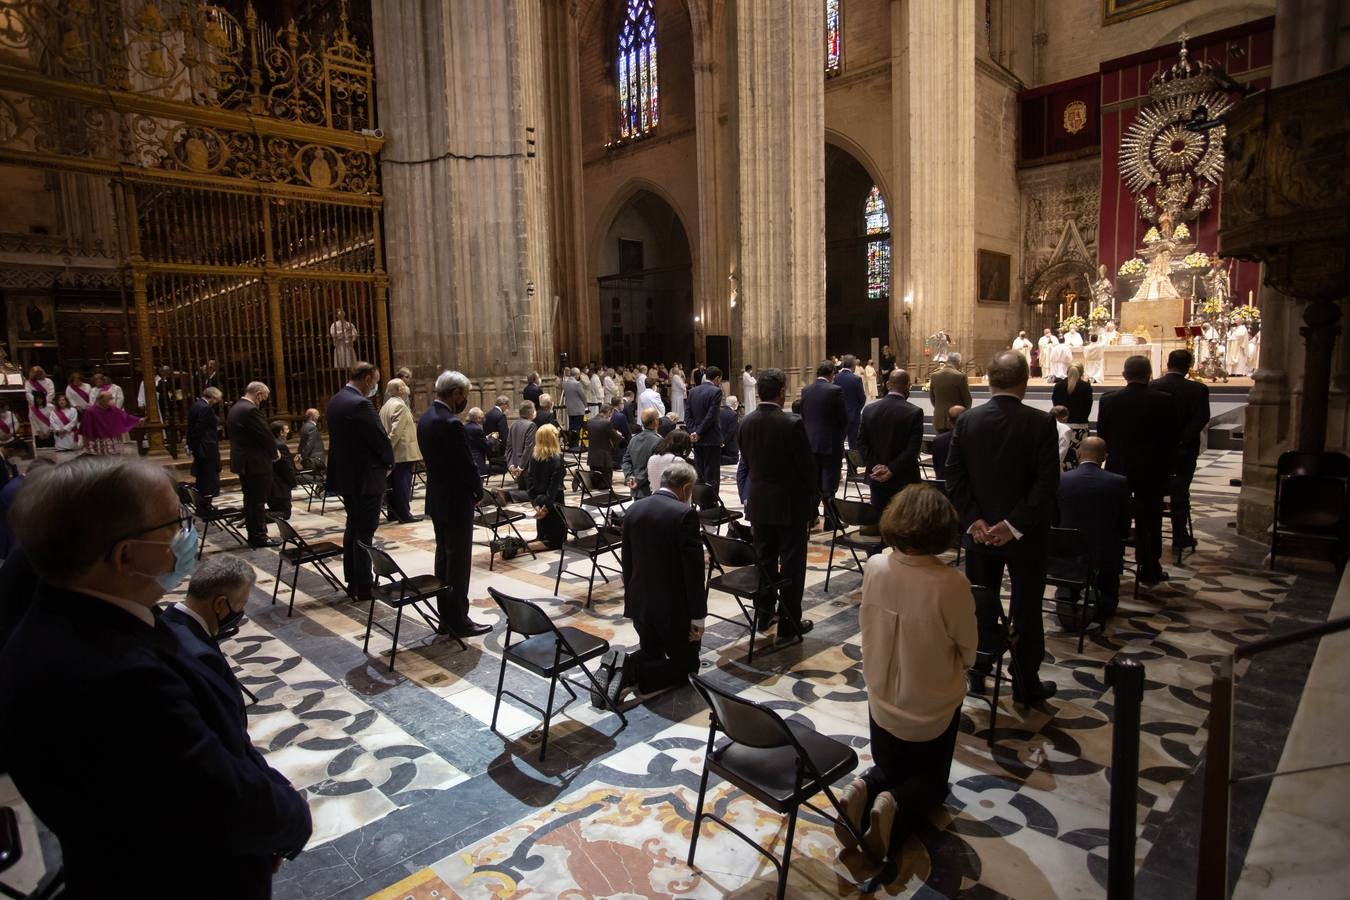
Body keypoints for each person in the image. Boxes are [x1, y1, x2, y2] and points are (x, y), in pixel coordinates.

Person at [0, 457, 312, 895]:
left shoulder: (54, 620)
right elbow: (218, 802)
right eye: (174, 522)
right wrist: (290, 819)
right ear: (127, 555)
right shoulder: (118, 679)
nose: (186, 535)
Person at [835, 484, 976, 861]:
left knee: (889, 763)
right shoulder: (950, 582)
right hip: (930, 701)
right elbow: (968, 646)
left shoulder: (877, 565)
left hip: (880, 690)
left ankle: (864, 788)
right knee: (931, 782)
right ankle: (893, 803)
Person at [945, 350, 1060, 704]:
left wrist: (974, 519)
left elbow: (954, 476)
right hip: (1026, 536)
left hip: (980, 534)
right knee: (1026, 606)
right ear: (1025, 382)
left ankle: (978, 671)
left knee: (980, 602)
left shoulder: (968, 421)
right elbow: (1047, 484)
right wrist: (1013, 525)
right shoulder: (1040, 423)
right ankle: (1026, 681)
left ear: (989, 381)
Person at [607, 460, 705, 705]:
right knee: (689, 668)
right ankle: (632, 671)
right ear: (685, 488)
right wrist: (698, 617)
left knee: (652, 651)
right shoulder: (684, 514)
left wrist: (631, 599)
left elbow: (626, 562)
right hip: (674, 608)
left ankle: (626, 665)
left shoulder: (634, 508)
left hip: (641, 603)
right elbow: (693, 571)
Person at [737, 368, 818, 641]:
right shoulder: (792, 423)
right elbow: (807, 469)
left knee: (765, 561)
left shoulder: (745, 423)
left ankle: (763, 614)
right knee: (792, 564)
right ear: (782, 392)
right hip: (789, 506)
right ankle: (788, 623)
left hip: (759, 504)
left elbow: (747, 462)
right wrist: (814, 504)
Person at [416, 371, 491, 636]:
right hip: (457, 501)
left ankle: (445, 619)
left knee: (443, 559)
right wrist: (478, 490)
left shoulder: (425, 418)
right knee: (458, 563)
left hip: (437, 498)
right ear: (456, 392)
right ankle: (459, 621)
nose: (464, 400)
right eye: (464, 395)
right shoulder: (451, 423)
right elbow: (465, 464)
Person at [1099, 355, 1181, 586]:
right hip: (1152, 470)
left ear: (1124, 375)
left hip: (1119, 469)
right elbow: (1172, 438)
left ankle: (1113, 565)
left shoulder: (1109, 400)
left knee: (1115, 518)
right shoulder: (1165, 400)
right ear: (1149, 375)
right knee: (1151, 520)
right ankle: (1149, 567)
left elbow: (1103, 436)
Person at [326, 363, 393, 599]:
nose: (374, 386)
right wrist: (388, 463)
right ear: (365, 378)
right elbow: (379, 438)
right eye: (374, 381)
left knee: (353, 527)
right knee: (365, 531)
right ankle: (364, 586)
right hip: (366, 477)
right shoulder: (360, 403)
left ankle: (353, 580)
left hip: (347, 476)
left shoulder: (336, 400)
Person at [1056, 437, 1131, 621]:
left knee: (1069, 550)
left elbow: (1054, 518)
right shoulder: (1118, 482)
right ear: (1104, 457)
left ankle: (1066, 597)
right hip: (1103, 551)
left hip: (1068, 551)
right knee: (1110, 550)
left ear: (1078, 454)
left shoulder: (1061, 480)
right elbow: (1124, 523)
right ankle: (1105, 603)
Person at [1150, 349, 1211, 552]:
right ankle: (1179, 534)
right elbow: (1201, 418)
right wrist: (1182, 440)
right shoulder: (1198, 389)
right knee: (1180, 492)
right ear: (1188, 367)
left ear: (1168, 364)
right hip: (1183, 451)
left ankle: (1151, 534)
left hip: (1156, 450)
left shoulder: (1153, 386)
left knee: (1154, 491)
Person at [857, 369, 924, 518]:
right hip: (904, 478)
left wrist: (875, 466)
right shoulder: (914, 412)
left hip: (876, 477)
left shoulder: (869, 409)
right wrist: (891, 470)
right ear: (908, 386)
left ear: (888, 385)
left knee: (882, 522)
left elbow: (861, 443)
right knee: (904, 524)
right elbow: (913, 450)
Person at [228, 381, 280, 548]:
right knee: (258, 501)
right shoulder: (251, 410)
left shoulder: (236, 408)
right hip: (256, 463)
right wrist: (274, 453)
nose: (262, 401)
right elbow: (264, 435)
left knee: (250, 500)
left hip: (243, 462)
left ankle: (253, 534)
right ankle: (259, 536)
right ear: (258, 394)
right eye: (263, 398)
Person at [801, 361, 847, 526]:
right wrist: (841, 438)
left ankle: (811, 517)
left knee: (813, 482)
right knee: (829, 483)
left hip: (810, 443)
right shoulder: (835, 390)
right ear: (832, 374)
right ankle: (830, 519)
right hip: (830, 443)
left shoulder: (806, 390)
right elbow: (843, 418)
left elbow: (803, 415)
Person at [379, 378, 422, 524]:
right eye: (404, 386)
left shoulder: (385, 406)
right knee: (403, 485)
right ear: (399, 390)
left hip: (395, 453)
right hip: (402, 453)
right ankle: (404, 514)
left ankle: (393, 514)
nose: (406, 388)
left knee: (393, 485)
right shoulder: (399, 406)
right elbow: (395, 432)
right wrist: (387, 449)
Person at [524, 423, 567, 549]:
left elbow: (529, 481)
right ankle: (523, 548)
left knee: (543, 536)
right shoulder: (557, 458)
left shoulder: (534, 456)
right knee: (556, 541)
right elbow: (554, 488)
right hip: (553, 503)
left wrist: (536, 504)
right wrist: (546, 507)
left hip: (538, 499)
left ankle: (523, 547)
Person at [686, 366, 724, 485]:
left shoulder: (692, 391)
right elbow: (711, 416)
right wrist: (699, 432)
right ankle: (711, 500)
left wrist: (694, 432)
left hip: (696, 439)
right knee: (712, 473)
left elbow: (687, 416)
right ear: (717, 378)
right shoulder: (716, 391)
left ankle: (701, 499)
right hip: (711, 437)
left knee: (699, 471)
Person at [186, 387, 224, 502]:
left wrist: (190, 445)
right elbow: (199, 429)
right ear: (213, 397)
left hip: (200, 446)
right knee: (208, 475)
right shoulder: (206, 408)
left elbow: (192, 428)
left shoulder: (196, 405)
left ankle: (203, 499)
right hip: (206, 447)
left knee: (202, 475)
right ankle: (207, 501)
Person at [79, 390, 143, 455]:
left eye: (112, 398)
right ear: (101, 400)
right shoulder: (91, 412)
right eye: (109, 398)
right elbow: (87, 428)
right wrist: (86, 443)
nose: (112, 400)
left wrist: (138, 419)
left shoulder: (113, 409)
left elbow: (125, 416)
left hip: (112, 437)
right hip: (98, 439)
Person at [622, 407, 663, 498]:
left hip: (635, 488)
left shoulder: (634, 439)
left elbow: (626, 461)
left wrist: (630, 477)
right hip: (649, 490)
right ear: (655, 422)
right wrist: (638, 480)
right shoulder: (659, 441)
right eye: (657, 418)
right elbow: (654, 465)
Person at [928, 353, 972, 434]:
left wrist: (939, 408)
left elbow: (932, 398)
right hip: (956, 419)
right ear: (958, 362)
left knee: (941, 443)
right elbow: (967, 400)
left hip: (939, 419)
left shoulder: (934, 375)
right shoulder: (960, 376)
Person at [265, 421, 298, 520]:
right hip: (279, 485)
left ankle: (253, 515)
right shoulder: (280, 446)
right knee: (285, 513)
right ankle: (254, 516)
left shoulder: (270, 443)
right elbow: (285, 468)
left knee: (276, 509)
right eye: (286, 429)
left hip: (271, 485)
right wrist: (293, 482)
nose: (288, 431)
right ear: (281, 432)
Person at [834, 354, 867, 449]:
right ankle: (852, 464)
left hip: (839, 416)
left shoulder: (835, 377)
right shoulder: (856, 379)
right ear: (854, 365)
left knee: (839, 443)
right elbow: (862, 398)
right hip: (853, 415)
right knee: (853, 443)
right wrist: (856, 409)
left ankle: (837, 462)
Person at [646, 429, 692, 494]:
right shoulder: (678, 461)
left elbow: (651, 483)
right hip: (673, 500)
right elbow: (684, 489)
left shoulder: (652, 458)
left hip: (655, 497)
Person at [586, 402, 621, 486]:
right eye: (611, 413)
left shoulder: (590, 421)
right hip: (604, 459)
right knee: (605, 486)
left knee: (595, 484)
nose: (610, 415)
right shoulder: (606, 423)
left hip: (592, 458)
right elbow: (616, 438)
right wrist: (618, 435)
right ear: (609, 411)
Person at [506, 401, 538, 488]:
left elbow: (509, 447)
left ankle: (507, 496)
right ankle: (507, 496)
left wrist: (511, 465)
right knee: (532, 494)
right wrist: (520, 467)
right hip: (526, 465)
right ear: (530, 412)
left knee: (522, 489)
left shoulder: (513, 425)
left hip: (515, 464)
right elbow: (529, 448)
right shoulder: (531, 425)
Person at [929, 405, 964, 482]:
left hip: (943, 483)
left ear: (949, 420)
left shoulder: (938, 441)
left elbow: (936, 465)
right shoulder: (972, 439)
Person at [25, 366, 54, 443]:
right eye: (37, 374)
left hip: (47, 406)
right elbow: (28, 394)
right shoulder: (28, 383)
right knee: (36, 426)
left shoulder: (48, 381)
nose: (39, 375)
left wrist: (44, 402)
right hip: (35, 407)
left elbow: (51, 393)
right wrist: (37, 403)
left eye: (40, 373)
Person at [464, 407, 490, 477]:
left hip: (467, 458)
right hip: (477, 459)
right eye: (481, 417)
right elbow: (487, 445)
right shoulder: (477, 429)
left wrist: (486, 437)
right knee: (479, 482)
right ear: (476, 418)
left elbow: (474, 440)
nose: (482, 419)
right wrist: (493, 438)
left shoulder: (464, 426)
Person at [562, 367, 588, 435]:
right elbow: (583, 397)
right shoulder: (577, 384)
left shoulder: (565, 383)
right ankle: (576, 444)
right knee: (577, 429)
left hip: (570, 409)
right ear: (577, 374)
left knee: (572, 428)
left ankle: (572, 443)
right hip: (578, 410)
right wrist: (586, 407)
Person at [608, 399, 631, 470]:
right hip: (619, 444)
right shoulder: (621, 416)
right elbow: (627, 432)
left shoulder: (608, 413)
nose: (623, 405)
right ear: (619, 405)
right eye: (622, 403)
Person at [719, 395, 741, 465]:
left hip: (719, 442)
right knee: (735, 459)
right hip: (729, 445)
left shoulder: (719, 412)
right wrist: (724, 443)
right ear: (735, 403)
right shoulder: (733, 414)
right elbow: (731, 431)